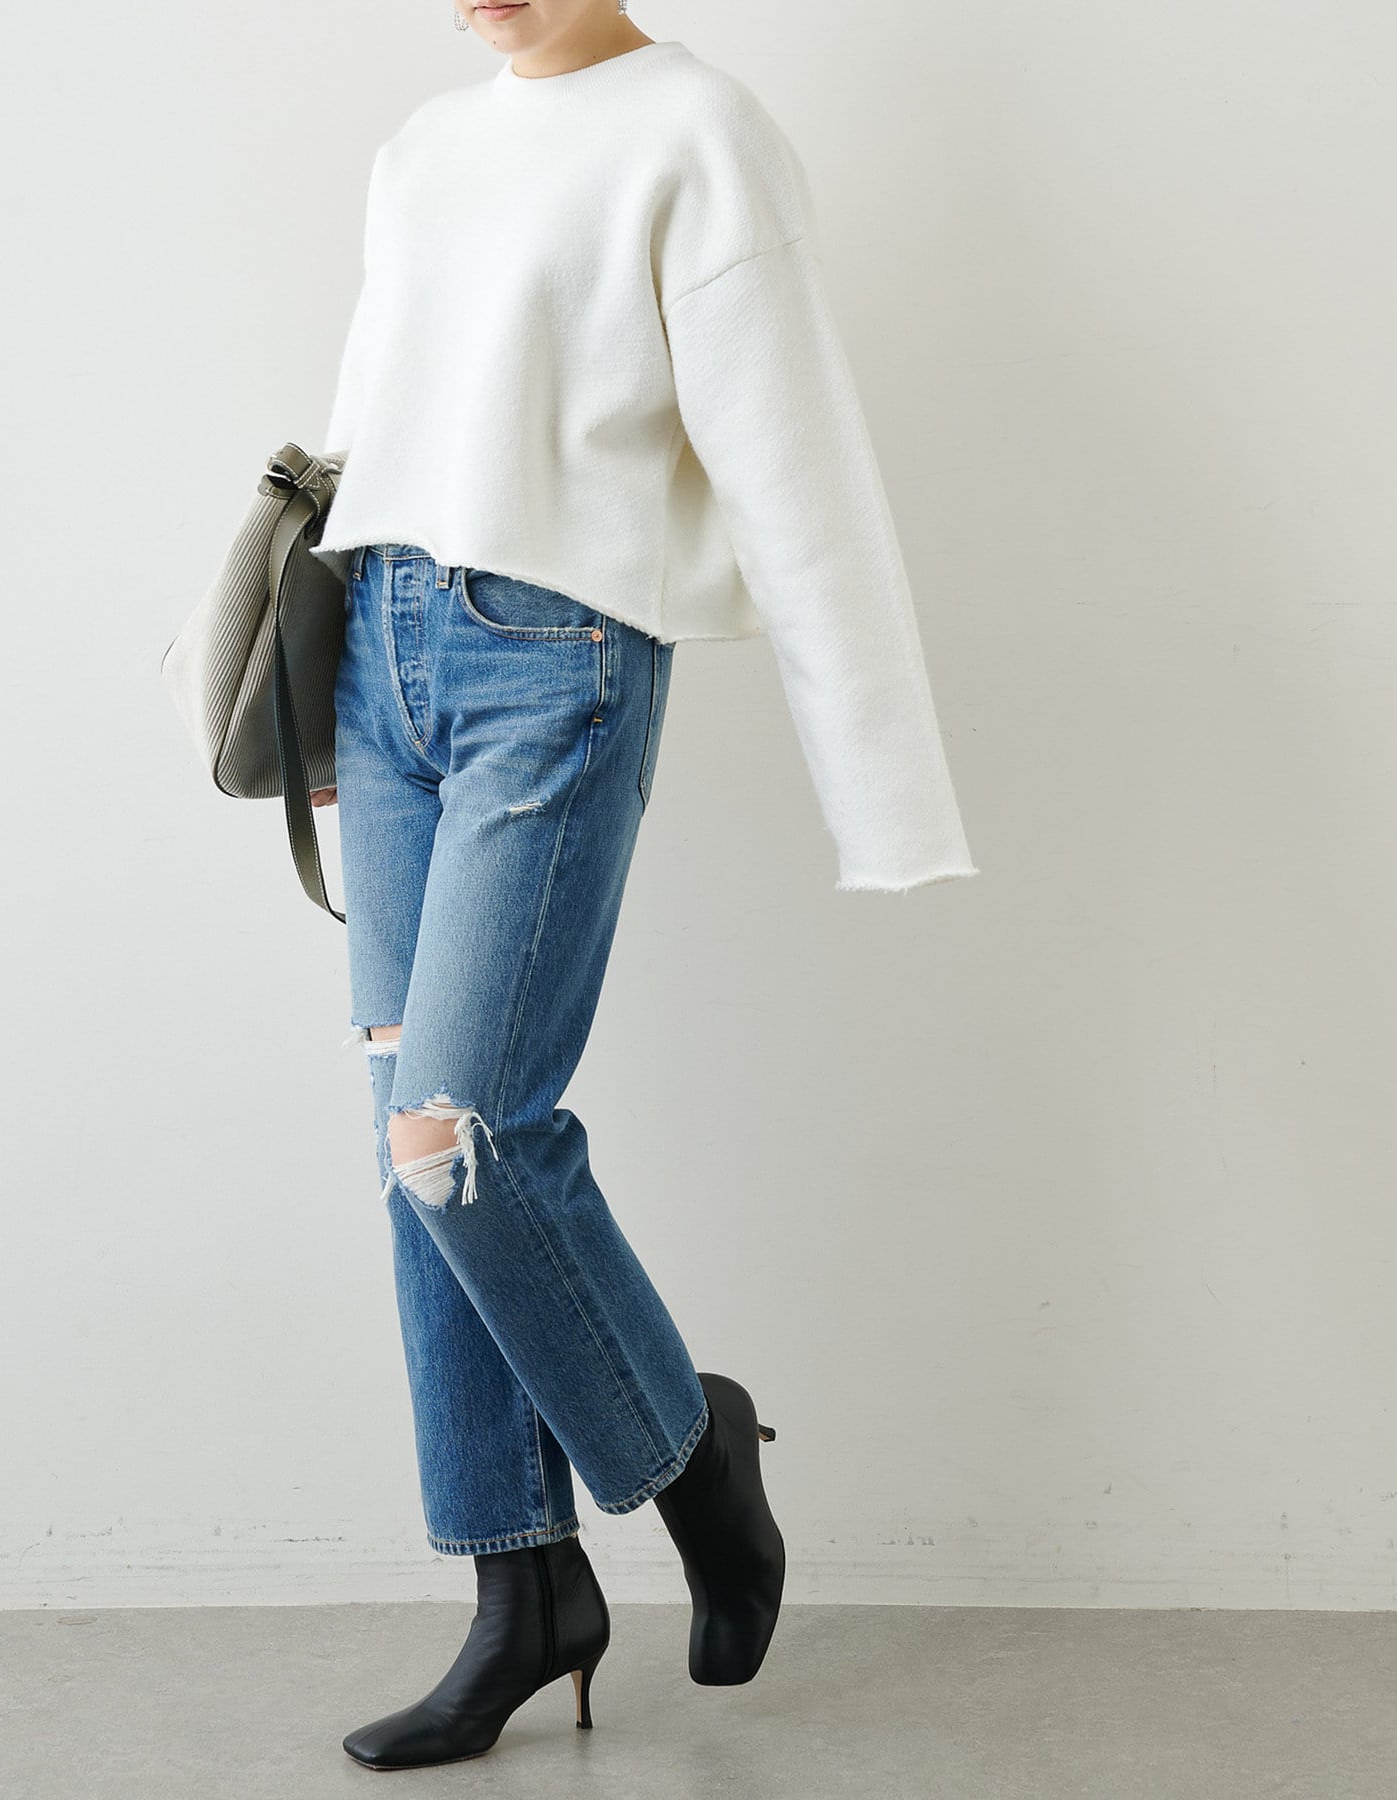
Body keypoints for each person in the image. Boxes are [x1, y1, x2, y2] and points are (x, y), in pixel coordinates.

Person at [306, 0, 979, 1772]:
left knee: (460, 1133)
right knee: (406, 1145)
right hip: (380, 659)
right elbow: (370, 422)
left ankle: (693, 1455)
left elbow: (798, 472)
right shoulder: (424, 148)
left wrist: (884, 793)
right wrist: (319, 697)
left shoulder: (700, 134)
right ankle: (522, 1589)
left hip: (557, 660)